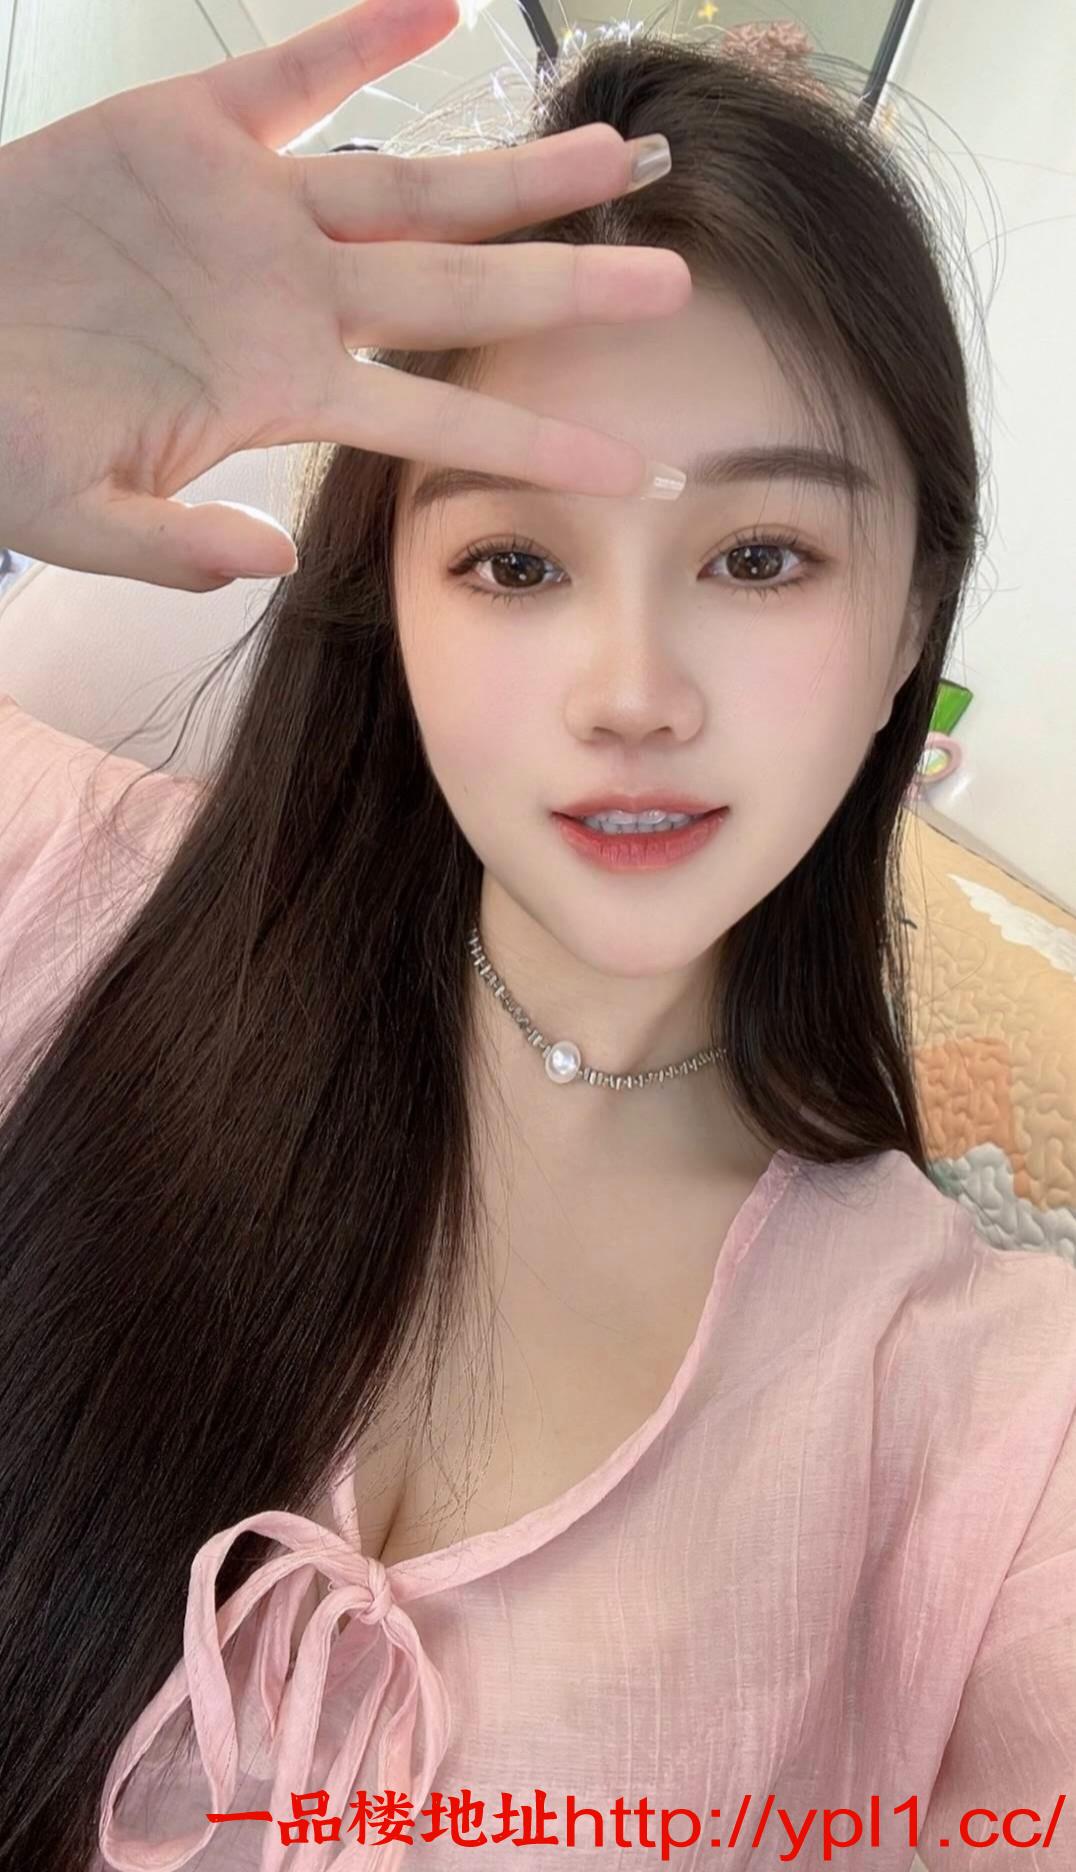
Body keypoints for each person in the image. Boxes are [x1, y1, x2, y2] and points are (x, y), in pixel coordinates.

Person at [0, 2, 1073, 1869]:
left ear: (914, 617)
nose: (631, 692)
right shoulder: (61, 893)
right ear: (396, 598)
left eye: (761, 557)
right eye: (515, 560)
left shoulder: (995, 1425)